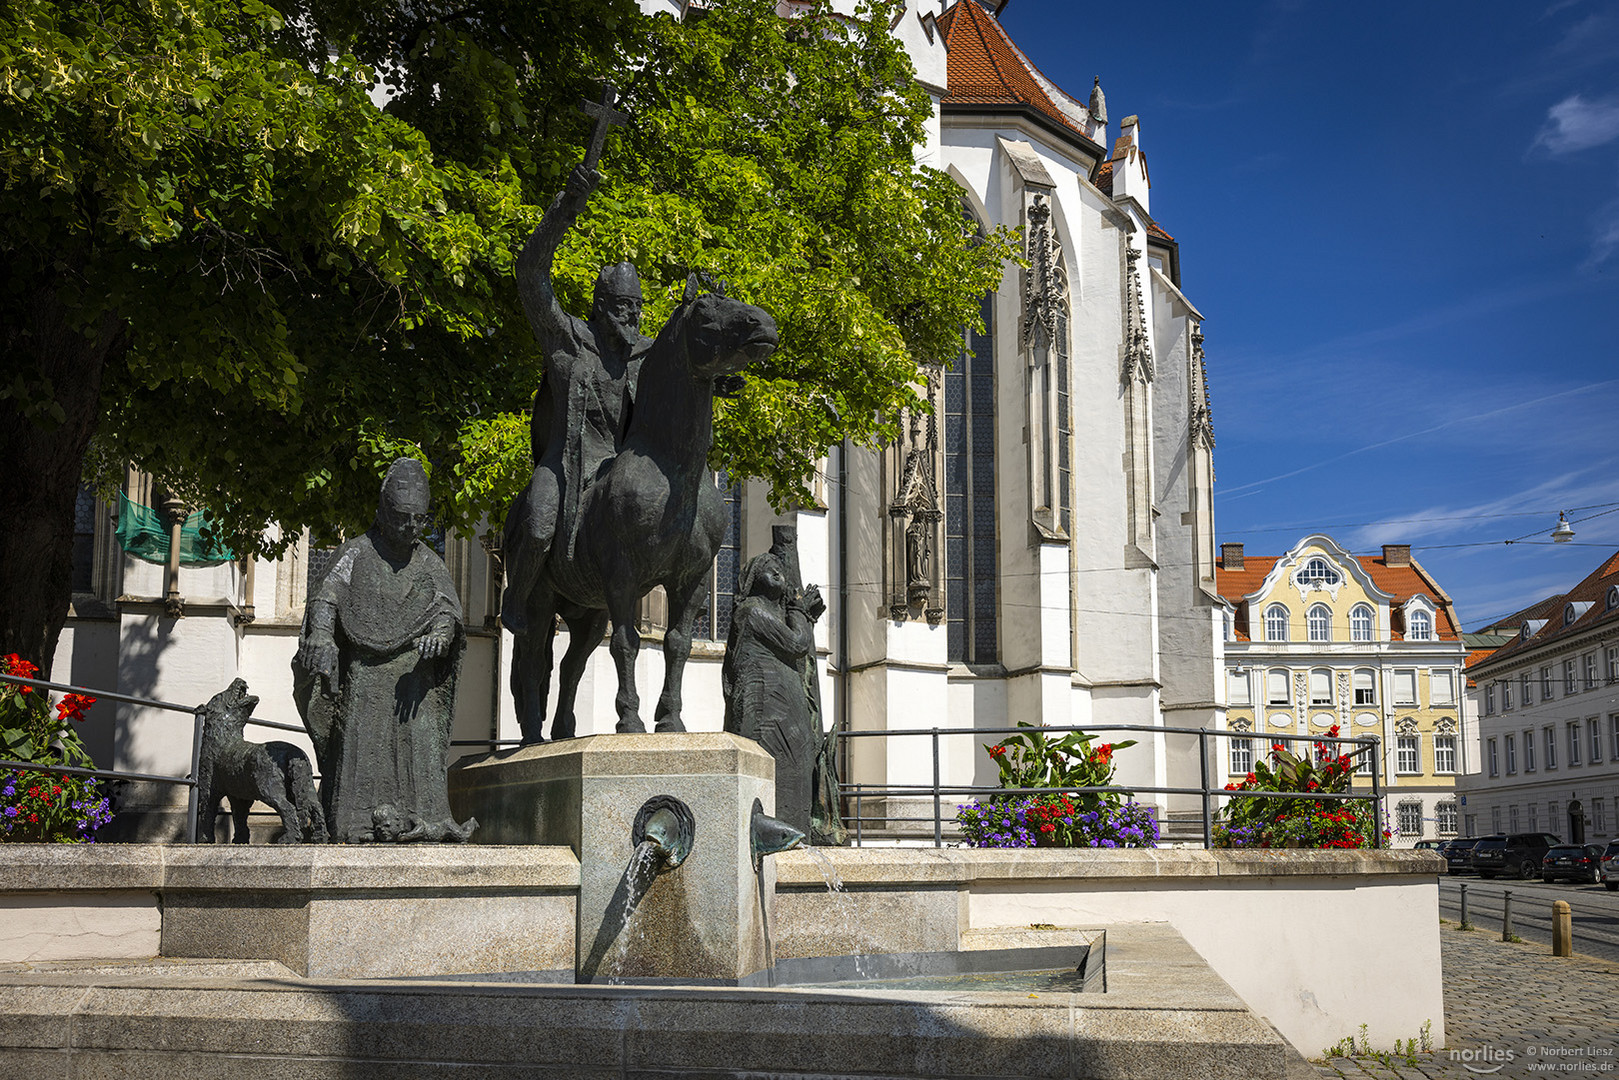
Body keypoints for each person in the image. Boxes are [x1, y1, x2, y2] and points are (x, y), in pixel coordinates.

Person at [292, 459, 475, 843]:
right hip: (366, 676)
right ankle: (353, 828)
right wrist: (323, 635)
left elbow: (447, 613)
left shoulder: (428, 562)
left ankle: (426, 822)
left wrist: (441, 636)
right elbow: (326, 598)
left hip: (413, 679)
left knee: (422, 737)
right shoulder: (356, 553)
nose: (411, 526)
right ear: (383, 511)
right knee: (358, 738)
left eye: (419, 519)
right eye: (403, 517)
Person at [501, 164, 650, 630]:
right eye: (626, 308)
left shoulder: (645, 355)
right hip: (565, 466)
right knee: (540, 520)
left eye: (639, 309)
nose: (635, 319)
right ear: (602, 308)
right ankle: (517, 598)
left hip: (618, 474)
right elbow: (529, 274)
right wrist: (565, 210)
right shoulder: (567, 341)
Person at [722, 541, 827, 836]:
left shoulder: (772, 613)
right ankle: (772, 829)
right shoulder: (751, 611)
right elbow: (796, 644)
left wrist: (800, 612)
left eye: (781, 569)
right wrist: (799, 609)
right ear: (753, 578)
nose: (778, 573)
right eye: (770, 570)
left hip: (785, 708)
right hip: (765, 709)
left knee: (795, 762)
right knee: (773, 761)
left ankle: (795, 829)